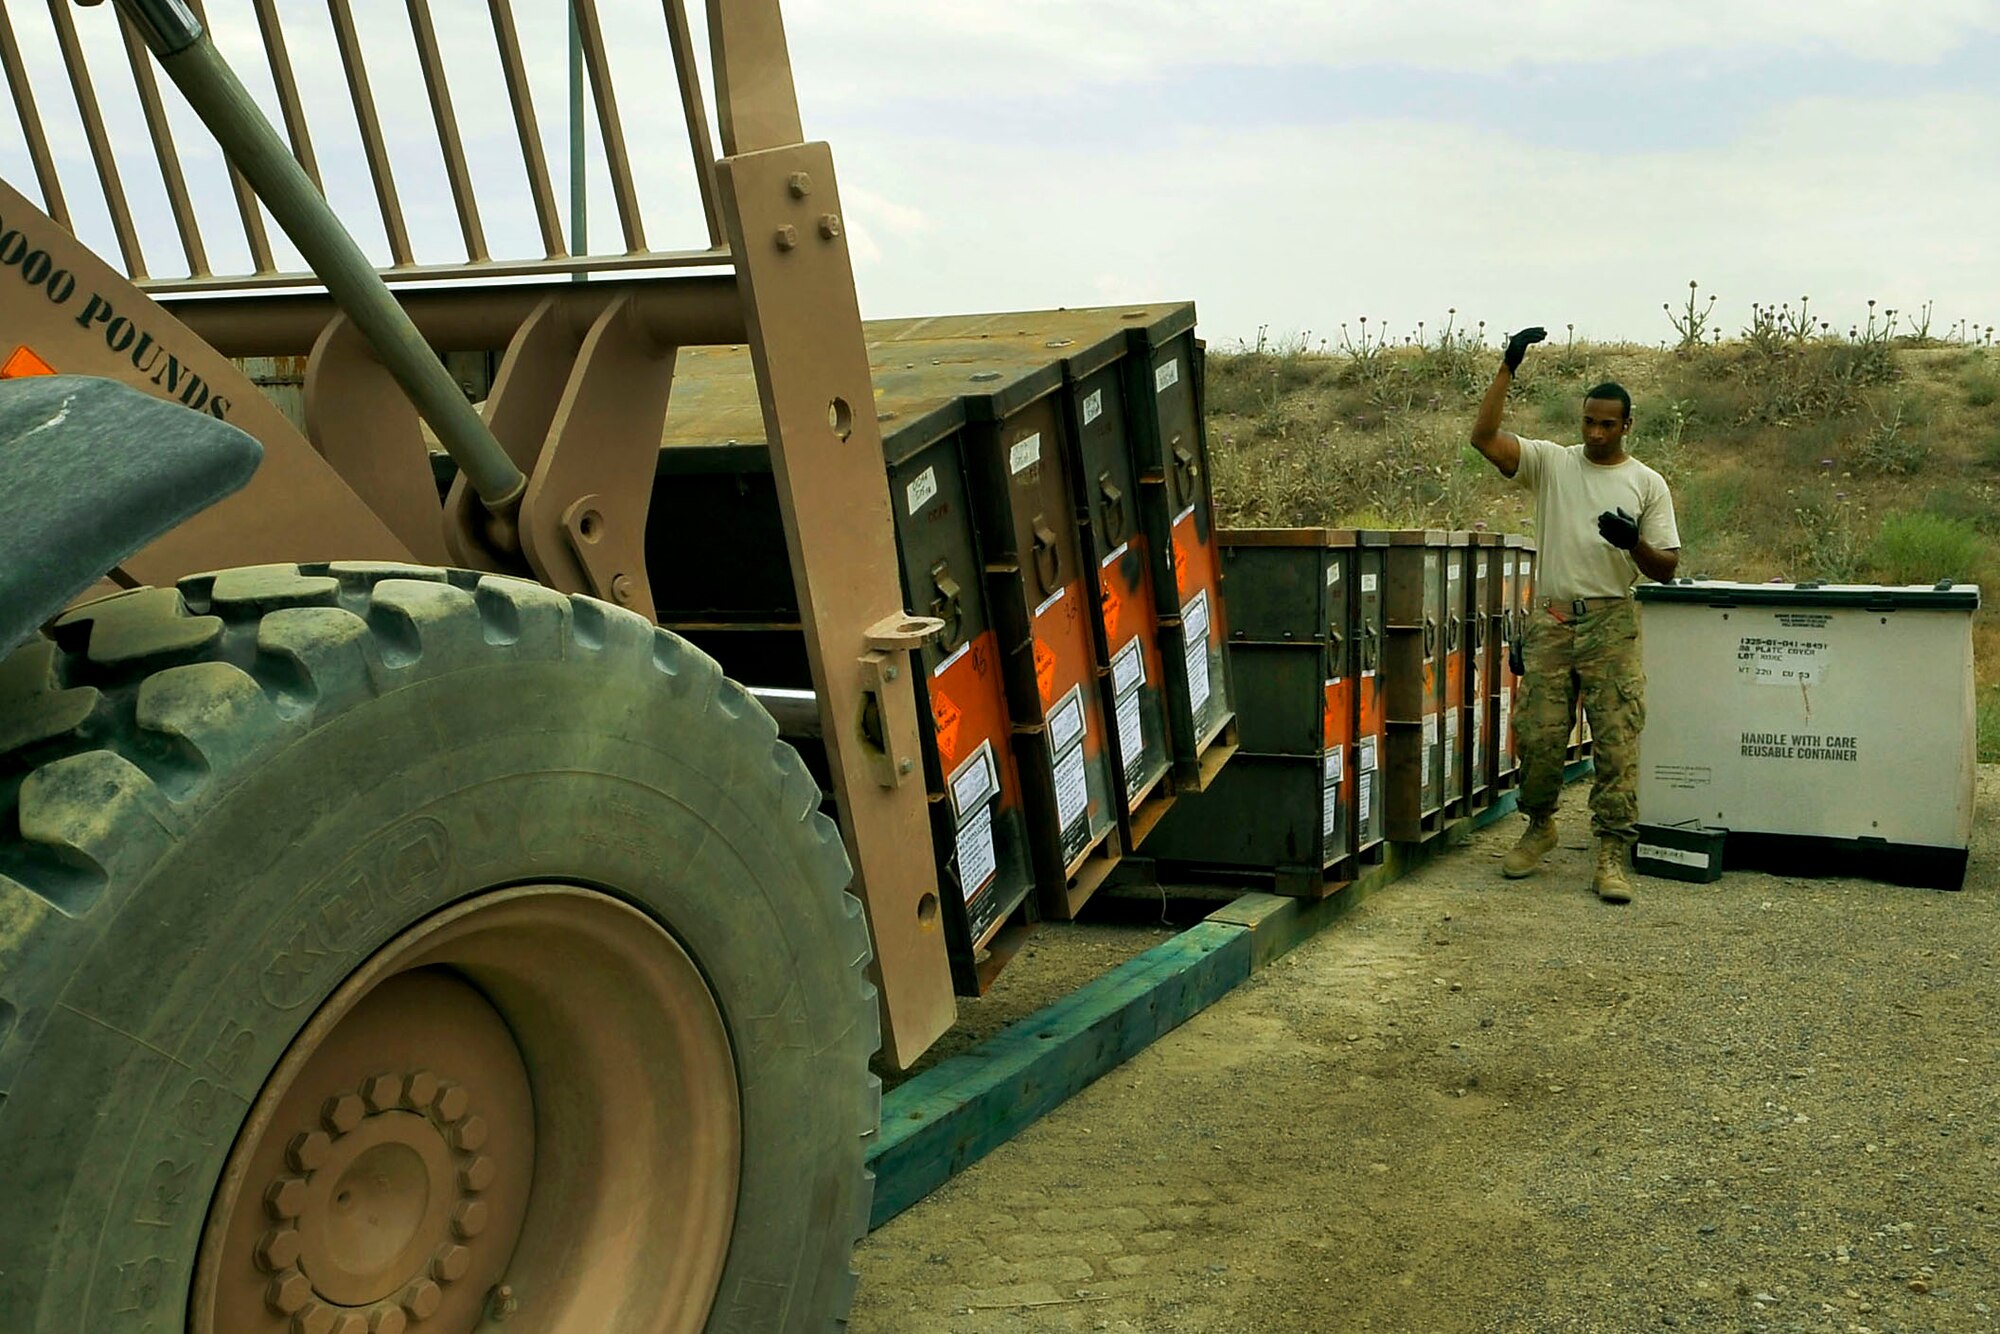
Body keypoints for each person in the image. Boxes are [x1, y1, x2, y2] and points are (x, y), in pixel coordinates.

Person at [1468, 327, 1680, 903]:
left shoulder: (1646, 483)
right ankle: (1539, 825)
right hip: (1554, 620)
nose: (1595, 432)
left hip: (1612, 622)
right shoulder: (1553, 464)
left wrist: (1632, 543)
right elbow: (1483, 437)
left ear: (1626, 426)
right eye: (1588, 420)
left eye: (1607, 423)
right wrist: (1508, 365)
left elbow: (1665, 568)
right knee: (1537, 738)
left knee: (1615, 742)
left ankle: (1611, 853)